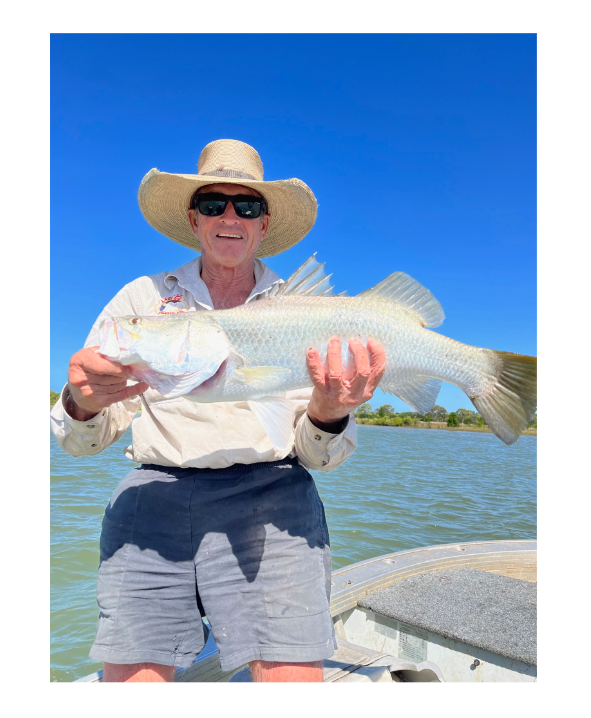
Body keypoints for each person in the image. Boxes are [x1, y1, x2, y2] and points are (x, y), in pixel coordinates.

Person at [50, 139, 387, 682]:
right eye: (213, 203)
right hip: (153, 498)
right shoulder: (139, 300)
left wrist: (328, 413)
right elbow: (78, 440)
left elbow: (321, 458)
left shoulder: (313, 315)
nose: (230, 216)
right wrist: (83, 403)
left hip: (274, 498)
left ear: (263, 221)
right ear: (193, 218)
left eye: (246, 205)